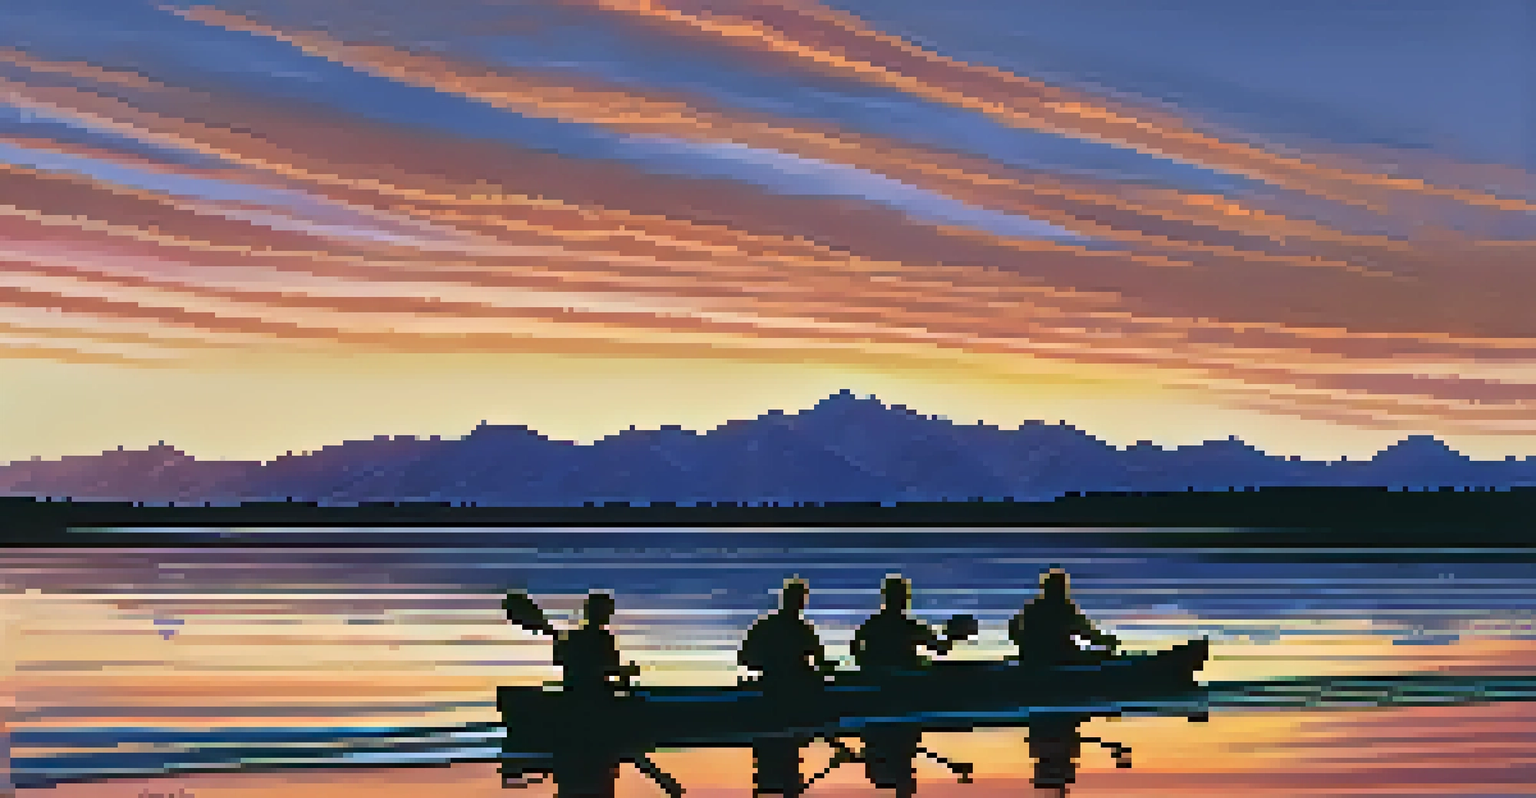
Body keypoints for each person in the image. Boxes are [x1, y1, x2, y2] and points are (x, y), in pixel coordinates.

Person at [1009, 569, 1119, 665]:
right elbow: (1086, 632)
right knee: (1103, 655)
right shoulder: (1065, 608)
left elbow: (1014, 627)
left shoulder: (1031, 608)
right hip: (1059, 657)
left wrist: (1023, 647)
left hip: (1033, 658)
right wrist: (1106, 642)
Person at [739, 578, 832, 692]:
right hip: (780, 684)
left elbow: (819, 657)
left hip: (783, 683)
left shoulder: (803, 628)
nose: (800, 603)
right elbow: (746, 658)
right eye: (798, 599)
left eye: (801, 599)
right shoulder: (800, 629)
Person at [852, 575, 951, 675]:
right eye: (904, 595)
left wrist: (863, 663)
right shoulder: (910, 627)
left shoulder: (872, 624)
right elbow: (940, 647)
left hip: (876, 674)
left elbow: (856, 644)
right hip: (904, 677)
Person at [554, 592, 636, 697]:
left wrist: (623, 672)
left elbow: (608, 670)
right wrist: (623, 671)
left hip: (596, 692)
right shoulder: (578, 637)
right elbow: (587, 671)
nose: (610, 613)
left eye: (609, 610)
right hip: (585, 694)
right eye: (606, 610)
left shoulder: (605, 638)